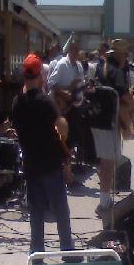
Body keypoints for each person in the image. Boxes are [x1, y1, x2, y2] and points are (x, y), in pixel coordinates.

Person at [12, 54, 77, 260]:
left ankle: (37, 256)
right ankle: (67, 253)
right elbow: (62, 130)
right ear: (40, 74)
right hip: (50, 165)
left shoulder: (17, 102)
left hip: (31, 166)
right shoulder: (45, 101)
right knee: (61, 213)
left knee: (37, 214)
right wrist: (63, 117)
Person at [93, 39, 134, 215]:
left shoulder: (101, 67)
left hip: (98, 118)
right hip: (109, 121)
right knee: (108, 161)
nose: (126, 58)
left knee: (105, 160)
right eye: (125, 54)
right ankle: (104, 202)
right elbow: (126, 97)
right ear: (120, 55)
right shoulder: (116, 71)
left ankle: (106, 196)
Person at [47, 40, 85, 185]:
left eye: (78, 50)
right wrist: (64, 93)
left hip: (74, 108)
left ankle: (66, 173)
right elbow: (51, 83)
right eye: (73, 50)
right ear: (69, 50)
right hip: (62, 107)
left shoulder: (79, 66)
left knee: (73, 139)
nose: (76, 53)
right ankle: (66, 175)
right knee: (63, 139)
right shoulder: (62, 64)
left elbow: (79, 85)